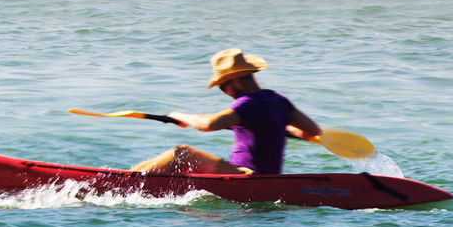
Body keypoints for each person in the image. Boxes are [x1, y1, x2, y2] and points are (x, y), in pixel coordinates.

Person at [133, 49, 321, 176]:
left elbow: (208, 124)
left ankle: (124, 184)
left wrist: (179, 116)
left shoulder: (248, 104)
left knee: (180, 153)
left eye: (223, 85)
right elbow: (312, 131)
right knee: (174, 159)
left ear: (237, 80)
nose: (223, 91)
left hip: (244, 177)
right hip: (266, 177)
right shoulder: (278, 101)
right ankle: (130, 176)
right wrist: (278, 128)